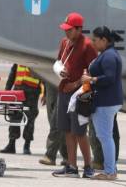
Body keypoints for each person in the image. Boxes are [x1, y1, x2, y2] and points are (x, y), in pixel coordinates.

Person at [52, 12, 97, 178]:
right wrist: (59, 70)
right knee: (67, 130)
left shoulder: (88, 46)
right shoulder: (64, 42)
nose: (66, 32)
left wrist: (76, 84)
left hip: (81, 95)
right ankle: (71, 166)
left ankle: (88, 167)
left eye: (70, 30)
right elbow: (58, 62)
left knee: (79, 132)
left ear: (79, 29)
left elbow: (92, 73)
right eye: (65, 29)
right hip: (64, 91)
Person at [81, 26, 123, 180]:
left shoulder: (109, 56)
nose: (92, 42)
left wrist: (91, 79)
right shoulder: (107, 54)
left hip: (106, 102)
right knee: (106, 136)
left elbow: (110, 78)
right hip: (107, 101)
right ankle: (111, 169)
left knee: (105, 136)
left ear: (104, 40)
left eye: (95, 40)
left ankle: (110, 172)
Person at [0, 64, 42, 155]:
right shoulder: (19, 56)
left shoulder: (38, 57)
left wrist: (45, 93)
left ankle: (27, 145)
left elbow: (45, 77)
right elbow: (12, 74)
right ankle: (11, 144)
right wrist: (7, 91)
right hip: (18, 91)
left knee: (30, 119)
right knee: (14, 116)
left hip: (32, 92)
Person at [39, 82, 68, 166]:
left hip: (64, 88)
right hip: (51, 89)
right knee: (54, 124)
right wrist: (45, 94)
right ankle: (67, 156)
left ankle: (50, 155)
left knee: (56, 124)